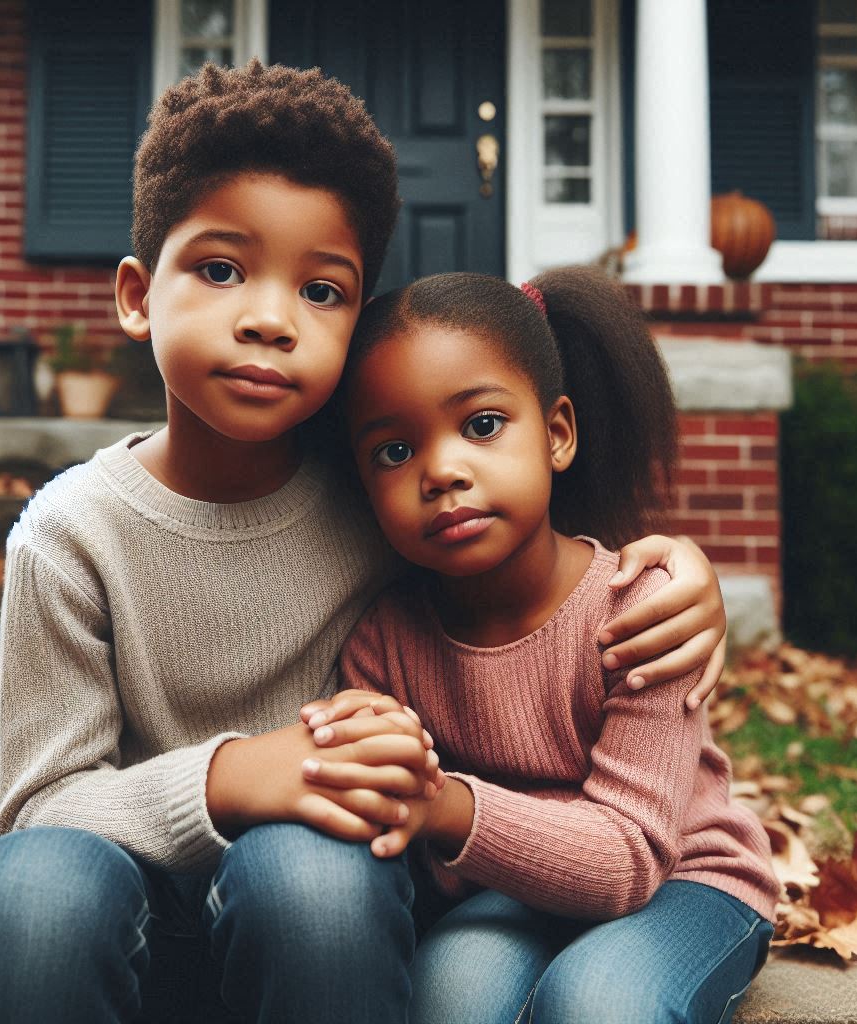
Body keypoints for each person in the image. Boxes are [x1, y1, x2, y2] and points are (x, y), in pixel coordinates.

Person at [0, 61, 730, 1023]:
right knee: (32, 893)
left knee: (314, 872)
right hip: (120, 915)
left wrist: (677, 568)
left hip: (316, 914)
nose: (270, 319)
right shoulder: (67, 537)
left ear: (354, 329)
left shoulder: (380, 496)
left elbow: (533, 557)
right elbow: (37, 811)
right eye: (221, 271)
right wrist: (230, 779)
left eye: (321, 289)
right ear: (139, 296)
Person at [301, 267, 778, 1024]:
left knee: (597, 1002)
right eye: (393, 452)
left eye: (482, 425)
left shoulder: (640, 610)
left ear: (557, 434)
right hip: (508, 891)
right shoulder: (383, 645)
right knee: (449, 997)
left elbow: (627, 861)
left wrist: (443, 805)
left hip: (683, 880)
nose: (443, 471)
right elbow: (404, 844)